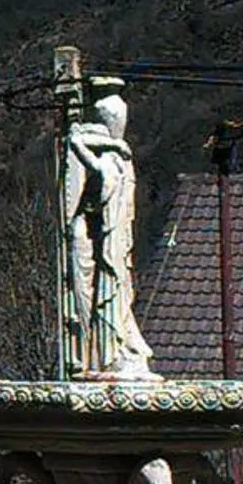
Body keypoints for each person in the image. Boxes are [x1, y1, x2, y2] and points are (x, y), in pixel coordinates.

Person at [63, 83, 156, 380]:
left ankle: (113, 352)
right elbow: (76, 139)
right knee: (107, 295)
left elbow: (78, 142)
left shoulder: (115, 163)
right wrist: (113, 145)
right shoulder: (115, 162)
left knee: (114, 295)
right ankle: (104, 353)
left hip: (113, 243)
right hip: (106, 242)